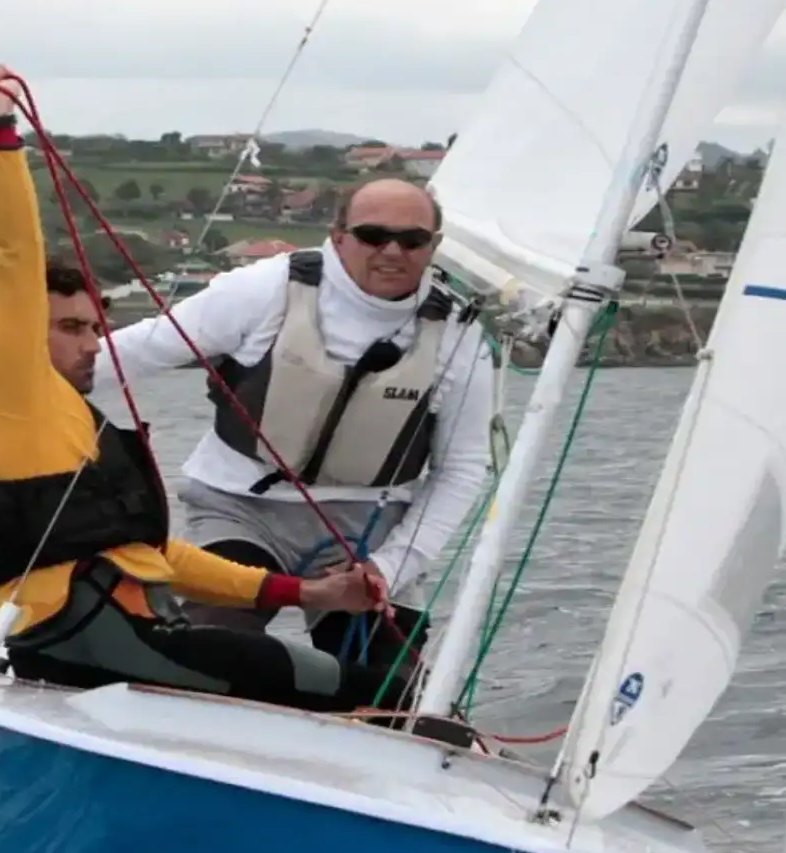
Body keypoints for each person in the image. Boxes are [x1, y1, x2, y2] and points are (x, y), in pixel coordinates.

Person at [0, 61, 412, 714]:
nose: (92, 342)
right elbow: (10, 258)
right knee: (367, 690)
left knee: (360, 675)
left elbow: (158, 557)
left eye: (95, 326)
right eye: (71, 328)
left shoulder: (67, 424)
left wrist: (307, 594)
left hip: (134, 637)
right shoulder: (2, 391)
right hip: (92, 645)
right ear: (14, 335)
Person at [92, 169, 496, 671]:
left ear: (433, 245)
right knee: (209, 649)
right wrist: (20, 379)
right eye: (373, 236)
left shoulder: (459, 337)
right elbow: (141, 350)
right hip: (241, 509)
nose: (392, 252)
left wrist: (388, 568)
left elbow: (461, 469)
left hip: (366, 528)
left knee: (387, 683)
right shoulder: (266, 289)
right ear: (338, 237)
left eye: (411, 240)